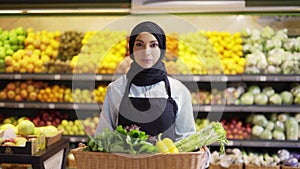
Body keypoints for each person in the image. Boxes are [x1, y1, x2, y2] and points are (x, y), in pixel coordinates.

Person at [95, 21, 196, 141]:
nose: (146, 52)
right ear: (131, 49)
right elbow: (103, 136)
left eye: (153, 45)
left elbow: (187, 139)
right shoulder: (116, 88)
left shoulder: (178, 90)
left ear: (162, 49)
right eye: (139, 44)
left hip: (167, 160)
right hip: (127, 160)